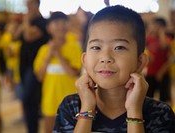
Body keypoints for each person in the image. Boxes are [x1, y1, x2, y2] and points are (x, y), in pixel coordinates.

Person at [53, 5, 175, 133]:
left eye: (119, 47)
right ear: (85, 60)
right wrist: (86, 111)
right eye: (96, 47)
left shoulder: (160, 114)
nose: (105, 57)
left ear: (140, 62)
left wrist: (134, 111)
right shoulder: (71, 107)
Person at [33, 11, 82, 133]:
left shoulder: (74, 47)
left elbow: (73, 73)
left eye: (63, 22)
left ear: (68, 25)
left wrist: (58, 54)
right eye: (56, 23)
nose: (60, 26)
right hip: (50, 101)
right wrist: (48, 56)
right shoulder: (44, 50)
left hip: (70, 102)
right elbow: (40, 76)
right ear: (48, 28)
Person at [13, 0, 49, 132]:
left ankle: (33, 129)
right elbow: (15, 36)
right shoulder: (28, 23)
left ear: (36, 4)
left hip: (35, 66)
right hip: (23, 65)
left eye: (29, 5)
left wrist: (26, 21)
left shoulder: (42, 22)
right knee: (29, 100)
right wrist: (24, 22)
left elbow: (28, 37)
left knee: (28, 99)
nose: (27, 8)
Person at [145, 17, 171, 102]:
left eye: (155, 25)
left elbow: (164, 46)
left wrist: (161, 32)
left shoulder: (166, 39)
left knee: (164, 98)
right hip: (151, 73)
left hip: (163, 73)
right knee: (148, 97)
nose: (153, 27)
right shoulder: (150, 39)